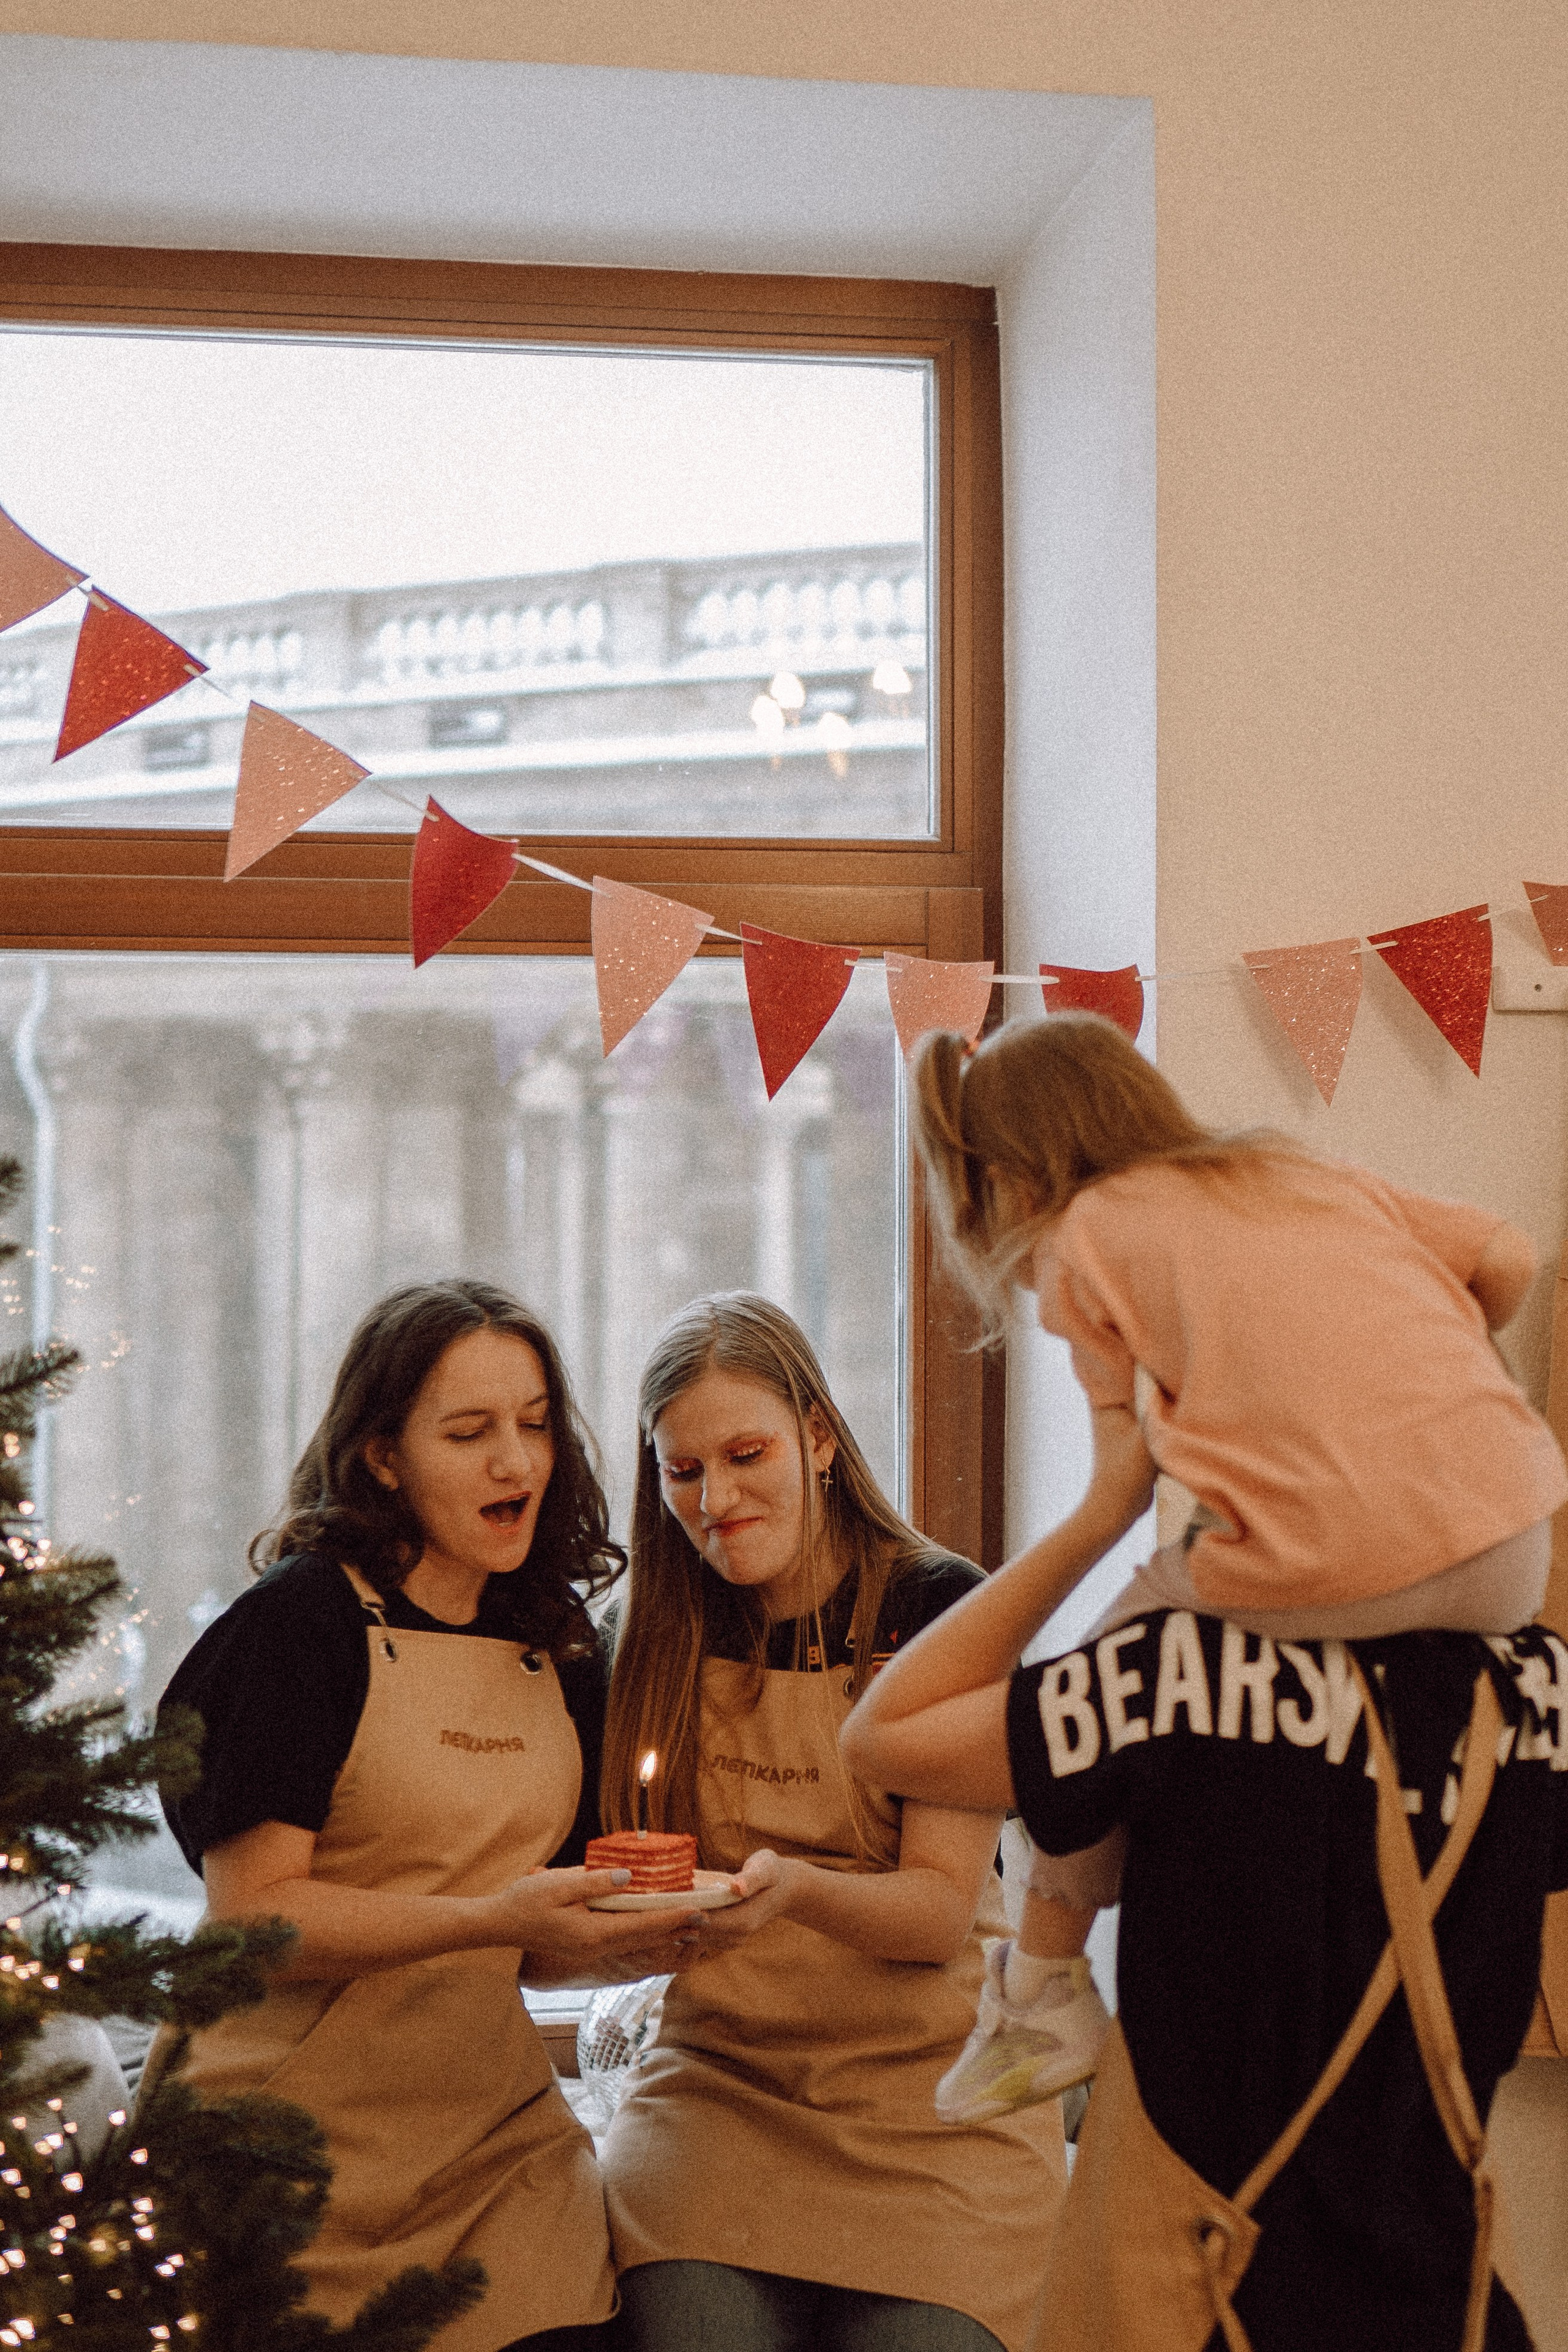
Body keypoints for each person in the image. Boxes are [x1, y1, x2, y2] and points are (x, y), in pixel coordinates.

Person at [905, 1012, 1567, 2120]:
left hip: (1331, 1564)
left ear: (1017, 1184)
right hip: (1514, 1549)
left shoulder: (1083, 1239)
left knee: (1094, 1690)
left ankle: (1041, 1984)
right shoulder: (1293, 1170)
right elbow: (1508, 1258)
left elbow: (1123, 1478)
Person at [839, 1406, 1568, 2351]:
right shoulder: (1537, 1692)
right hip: (1440, 2291)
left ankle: (1039, 1994)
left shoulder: (1176, 1670)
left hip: (1197, 2291)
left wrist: (1102, 1514)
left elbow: (885, 1736)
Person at [146, 1279, 703, 2352]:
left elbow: (528, 1947)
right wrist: (503, 1919)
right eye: (470, 1432)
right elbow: (257, 1923)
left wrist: (634, 1938)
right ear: (382, 1457)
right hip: (278, 2144)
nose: (517, 1462)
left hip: (492, 2150)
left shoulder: (557, 1645)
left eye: (536, 1425)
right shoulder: (302, 1624)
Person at [597, 1293, 1066, 2352]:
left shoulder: (940, 1607)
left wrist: (793, 1892)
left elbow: (940, 1916)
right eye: (682, 1471)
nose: (714, 1498)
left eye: (745, 1452)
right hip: (721, 2095)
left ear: (817, 1437)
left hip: (938, 2105)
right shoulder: (643, 1638)